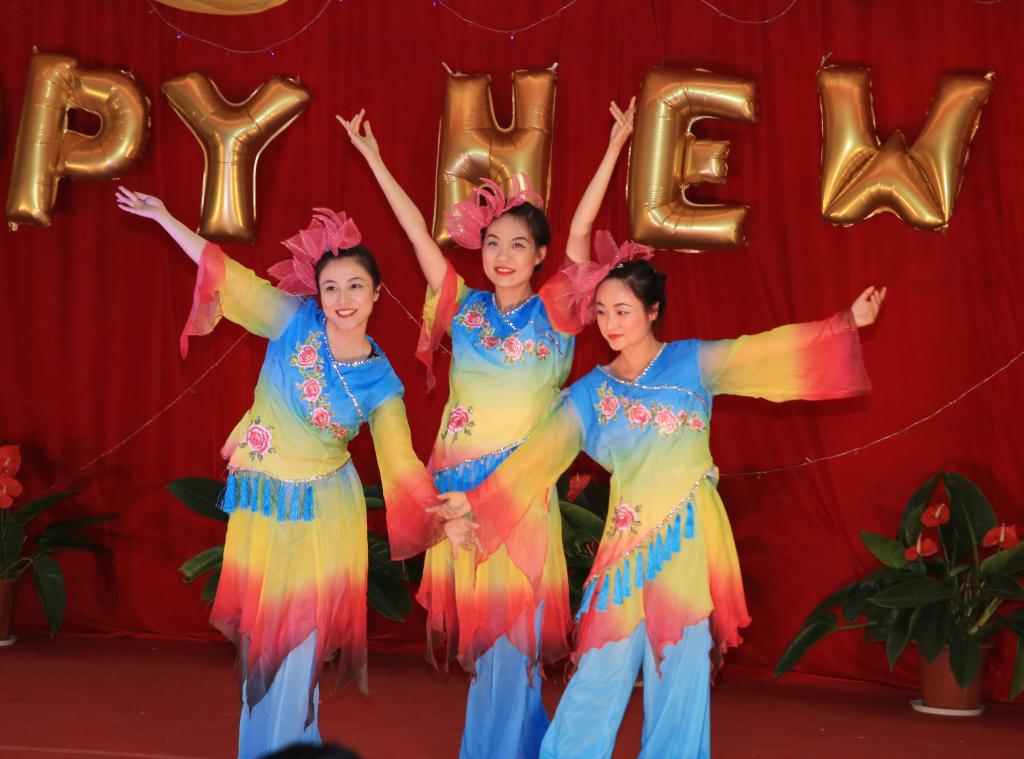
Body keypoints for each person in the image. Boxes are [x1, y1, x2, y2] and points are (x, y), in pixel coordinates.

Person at [442, 242, 886, 759]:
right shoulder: (591, 392)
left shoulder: (692, 362)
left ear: (653, 311)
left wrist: (845, 323)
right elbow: (536, 457)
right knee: (598, 672)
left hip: (687, 538)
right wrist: (474, 501)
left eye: (623, 310)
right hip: (624, 548)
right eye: (601, 311)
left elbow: (763, 351)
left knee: (679, 672)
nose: (610, 323)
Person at [336, 100, 635, 759]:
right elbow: (415, 233)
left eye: (519, 244)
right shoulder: (464, 308)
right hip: (459, 496)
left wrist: (616, 145)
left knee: (514, 641)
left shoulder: (558, 309)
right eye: (493, 243)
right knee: (490, 644)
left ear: (541, 255)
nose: (502, 255)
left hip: (519, 492)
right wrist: (373, 157)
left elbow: (583, 230)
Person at [116, 188, 441, 759]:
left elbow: (400, 461)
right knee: (266, 640)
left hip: (324, 514)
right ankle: (280, 746)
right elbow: (228, 274)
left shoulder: (382, 383)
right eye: (331, 287)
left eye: (355, 286)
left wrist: (441, 512)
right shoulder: (292, 321)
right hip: (264, 507)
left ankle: (284, 747)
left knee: (299, 643)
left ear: (377, 293)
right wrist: (165, 217)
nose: (342, 299)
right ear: (317, 293)